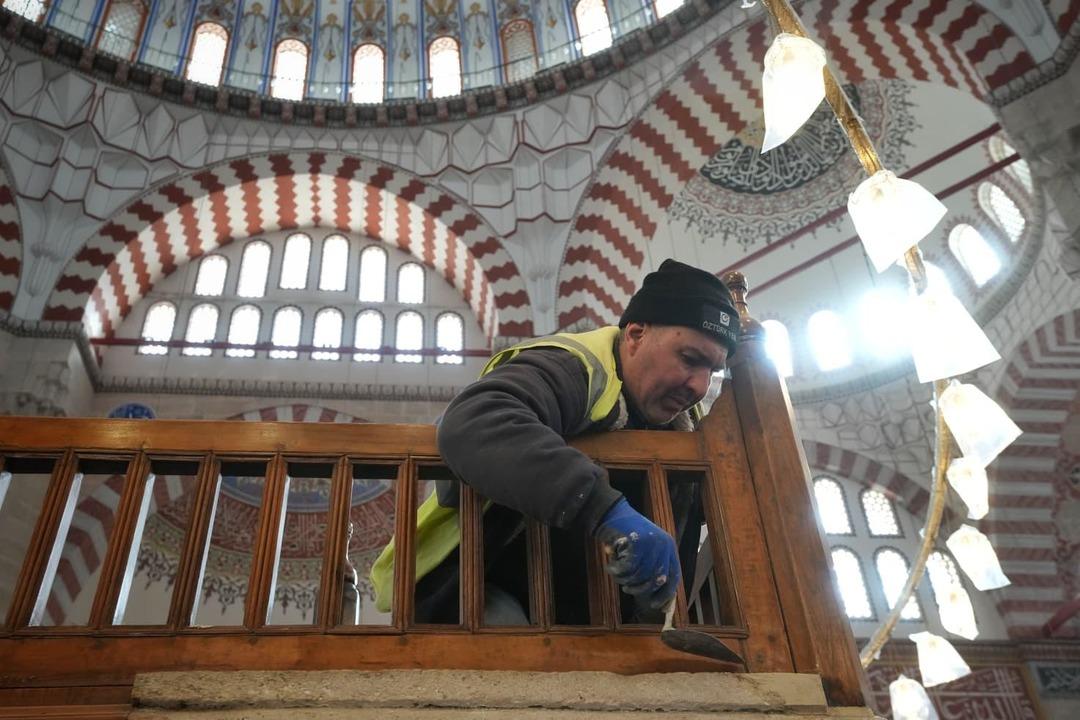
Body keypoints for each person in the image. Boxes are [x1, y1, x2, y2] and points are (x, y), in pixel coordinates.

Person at [370, 259, 739, 624]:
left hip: (596, 621)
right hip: (475, 589)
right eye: (689, 359)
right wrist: (604, 510)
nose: (700, 386)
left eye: (713, 371)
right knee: (516, 654)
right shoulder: (576, 368)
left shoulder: (689, 425)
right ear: (635, 335)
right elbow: (474, 421)